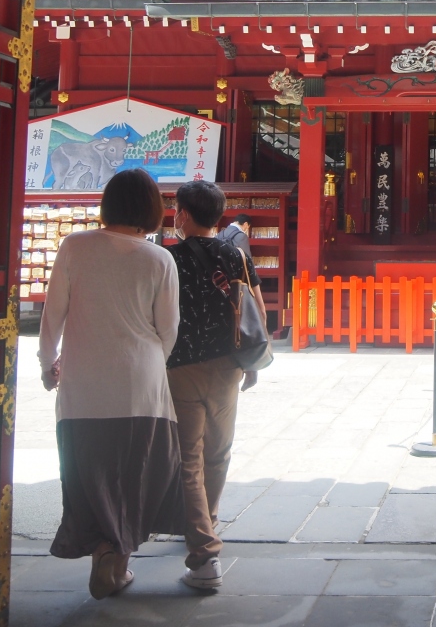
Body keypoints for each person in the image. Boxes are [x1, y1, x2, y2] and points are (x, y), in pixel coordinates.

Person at [38, 168, 184, 600]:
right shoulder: (159, 259)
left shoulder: (75, 246)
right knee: (137, 473)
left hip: (84, 382)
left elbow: (52, 316)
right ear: (152, 210)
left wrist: (48, 365)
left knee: (87, 470)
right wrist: (153, 365)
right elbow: (169, 330)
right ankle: (116, 562)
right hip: (141, 381)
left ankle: (101, 550)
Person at [167, 180, 266, 591]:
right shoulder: (235, 254)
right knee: (219, 451)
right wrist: (254, 361)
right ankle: (206, 522)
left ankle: (204, 550)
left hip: (181, 367)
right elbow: (255, 308)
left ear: (184, 215)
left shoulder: (169, 258)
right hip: (228, 365)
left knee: (188, 457)